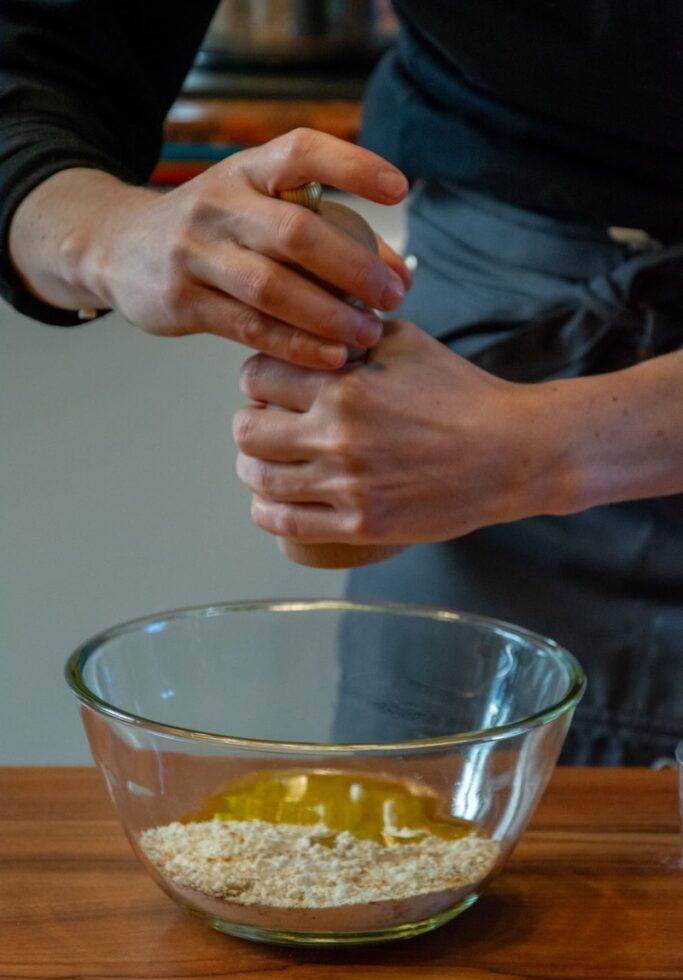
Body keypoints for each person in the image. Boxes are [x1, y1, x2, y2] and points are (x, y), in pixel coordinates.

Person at [2, 2, 682, 765]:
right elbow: (34, 65)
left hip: (497, 429)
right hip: (497, 335)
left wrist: (541, 448)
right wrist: (105, 235)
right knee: (427, 842)